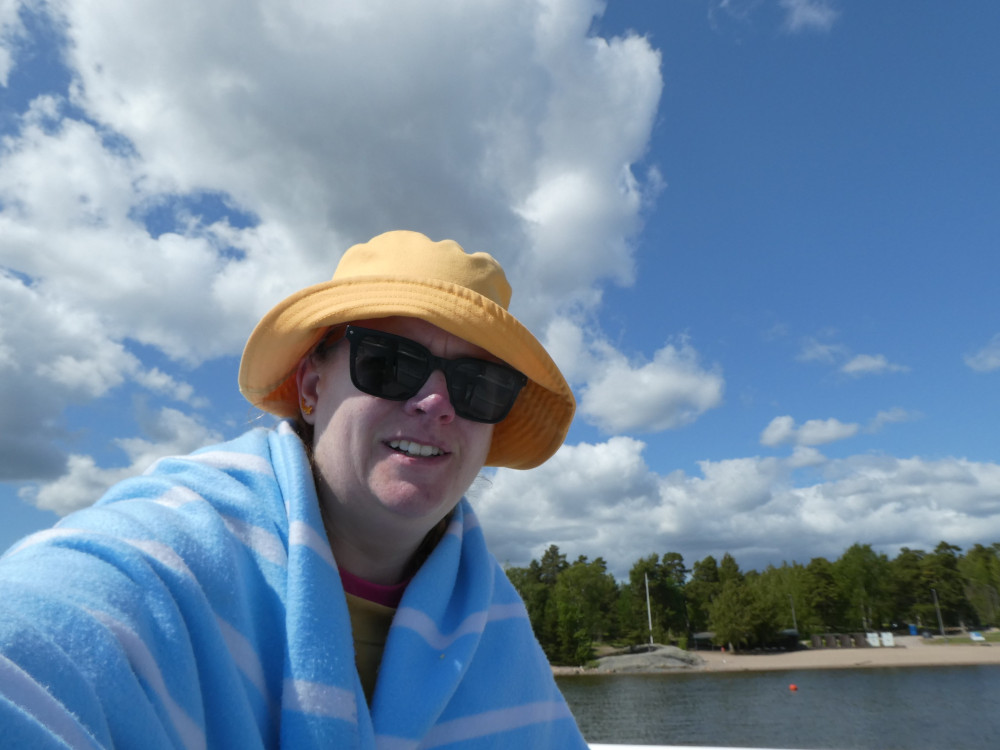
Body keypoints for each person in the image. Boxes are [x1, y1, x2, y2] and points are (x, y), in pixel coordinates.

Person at [0, 230, 587, 748]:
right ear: (311, 385)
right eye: (389, 363)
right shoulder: (171, 553)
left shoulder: (495, 619)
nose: (435, 404)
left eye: (478, 385)